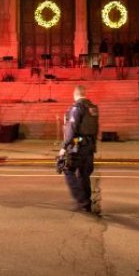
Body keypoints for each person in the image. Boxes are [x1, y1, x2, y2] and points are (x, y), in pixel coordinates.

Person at [59, 85, 100, 213]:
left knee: (68, 169)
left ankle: (82, 200)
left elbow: (71, 129)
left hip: (78, 146)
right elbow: (95, 128)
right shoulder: (93, 108)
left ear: (75, 95)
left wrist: (64, 147)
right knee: (84, 174)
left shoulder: (77, 108)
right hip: (90, 146)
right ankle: (86, 203)